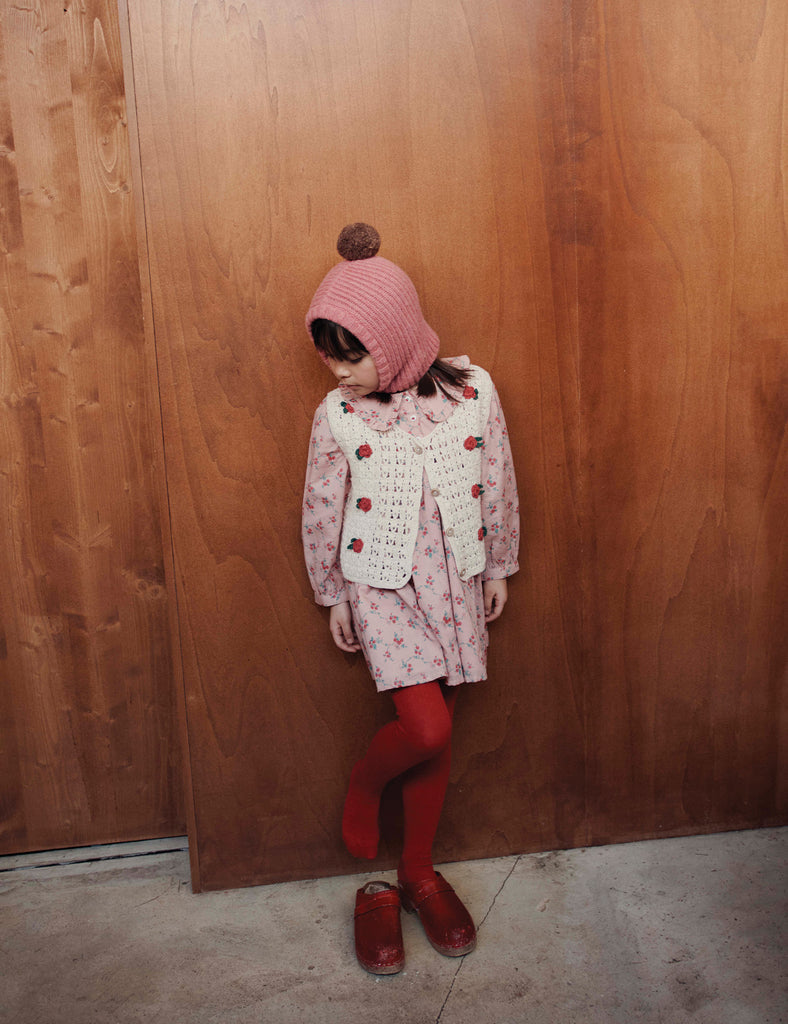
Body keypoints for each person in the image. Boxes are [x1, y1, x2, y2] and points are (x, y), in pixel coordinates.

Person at [302, 223, 519, 975]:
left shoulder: (472, 393)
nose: (338, 371)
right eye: (328, 353)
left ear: (393, 340)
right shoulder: (339, 416)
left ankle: (416, 872)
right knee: (423, 730)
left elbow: (499, 477)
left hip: (455, 577)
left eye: (351, 354)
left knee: (443, 736)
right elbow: (321, 503)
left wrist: (498, 565)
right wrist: (331, 591)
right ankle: (366, 783)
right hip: (381, 583)